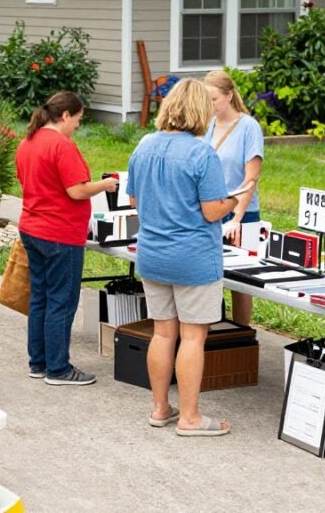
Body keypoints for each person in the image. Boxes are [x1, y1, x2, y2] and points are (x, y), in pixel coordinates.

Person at [128, 79, 243, 436]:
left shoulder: (144, 145)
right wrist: (234, 200)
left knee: (163, 334)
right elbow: (212, 211)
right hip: (192, 257)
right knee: (193, 337)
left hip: (152, 252)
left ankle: (160, 407)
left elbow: (134, 201)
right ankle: (191, 418)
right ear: (199, 110)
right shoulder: (201, 153)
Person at [15, 91, 118, 386]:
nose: (77, 126)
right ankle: (59, 369)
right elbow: (77, 190)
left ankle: (39, 362)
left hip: (32, 227)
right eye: (78, 119)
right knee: (61, 300)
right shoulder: (61, 145)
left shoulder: (27, 142)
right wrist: (105, 185)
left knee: (40, 298)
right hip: (60, 233)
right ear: (65, 116)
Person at [203, 70, 264, 326]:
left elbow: (251, 178)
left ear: (229, 96)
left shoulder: (248, 127)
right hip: (212, 208)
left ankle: (242, 333)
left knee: (240, 282)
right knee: (210, 276)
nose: (211, 105)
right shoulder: (207, 124)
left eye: (214, 99)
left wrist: (237, 217)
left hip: (242, 212)